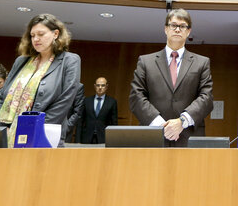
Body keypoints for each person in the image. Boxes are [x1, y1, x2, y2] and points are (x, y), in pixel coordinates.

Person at [129, 8, 213, 147]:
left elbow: (206, 98)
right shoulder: (145, 62)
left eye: (182, 26)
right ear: (166, 29)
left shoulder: (202, 63)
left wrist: (182, 121)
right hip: (153, 135)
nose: (177, 29)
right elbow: (136, 96)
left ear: (188, 31)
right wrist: (162, 125)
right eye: (173, 25)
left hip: (189, 137)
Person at [0, 13, 81, 147]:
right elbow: (1, 96)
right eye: (33, 35)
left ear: (55, 34)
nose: (36, 39)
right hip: (9, 135)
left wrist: (31, 128)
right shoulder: (21, 61)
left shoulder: (70, 60)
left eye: (41, 34)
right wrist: (1, 128)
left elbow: (66, 100)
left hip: (44, 134)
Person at [79, 77, 118, 144]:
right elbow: (80, 122)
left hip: (103, 138)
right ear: (94, 86)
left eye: (103, 85)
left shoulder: (112, 102)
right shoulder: (86, 101)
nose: (100, 87)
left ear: (106, 87)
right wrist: (78, 141)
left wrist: (113, 141)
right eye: (98, 85)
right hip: (87, 138)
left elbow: (114, 123)